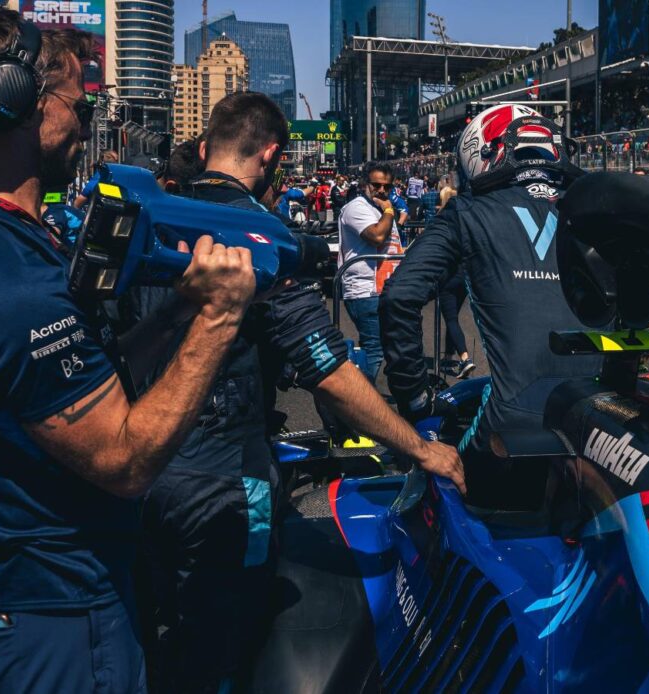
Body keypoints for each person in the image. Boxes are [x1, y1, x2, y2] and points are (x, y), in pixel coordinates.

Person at [0, 11, 259, 691]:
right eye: (78, 106)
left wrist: (180, 312)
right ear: (17, 101)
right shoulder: (4, 280)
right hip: (51, 617)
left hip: (20, 595)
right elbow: (124, 458)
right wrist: (219, 320)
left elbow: (82, 377)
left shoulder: (0, 236)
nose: (85, 125)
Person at [129, 92, 463, 692]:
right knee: (224, 656)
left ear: (207, 148)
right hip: (225, 490)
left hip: (134, 476)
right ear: (273, 155)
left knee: (152, 645)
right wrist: (421, 449)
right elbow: (329, 373)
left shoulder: (152, 216)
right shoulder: (260, 238)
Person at [380, 104, 595, 510]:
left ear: (481, 155)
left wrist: (413, 400)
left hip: (515, 419)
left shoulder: (467, 209)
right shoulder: (595, 204)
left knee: (441, 504)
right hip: (607, 416)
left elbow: (399, 297)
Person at [337, 161, 404, 383]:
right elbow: (376, 236)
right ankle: (359, 402)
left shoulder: (379, 208)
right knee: (373, 349)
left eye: (387, 186)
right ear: (365, 184)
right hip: (364, 290)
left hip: (383, 288)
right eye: (376, 185)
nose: (382, 190)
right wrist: (388, 210)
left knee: (382, 346)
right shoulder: (357, 207)